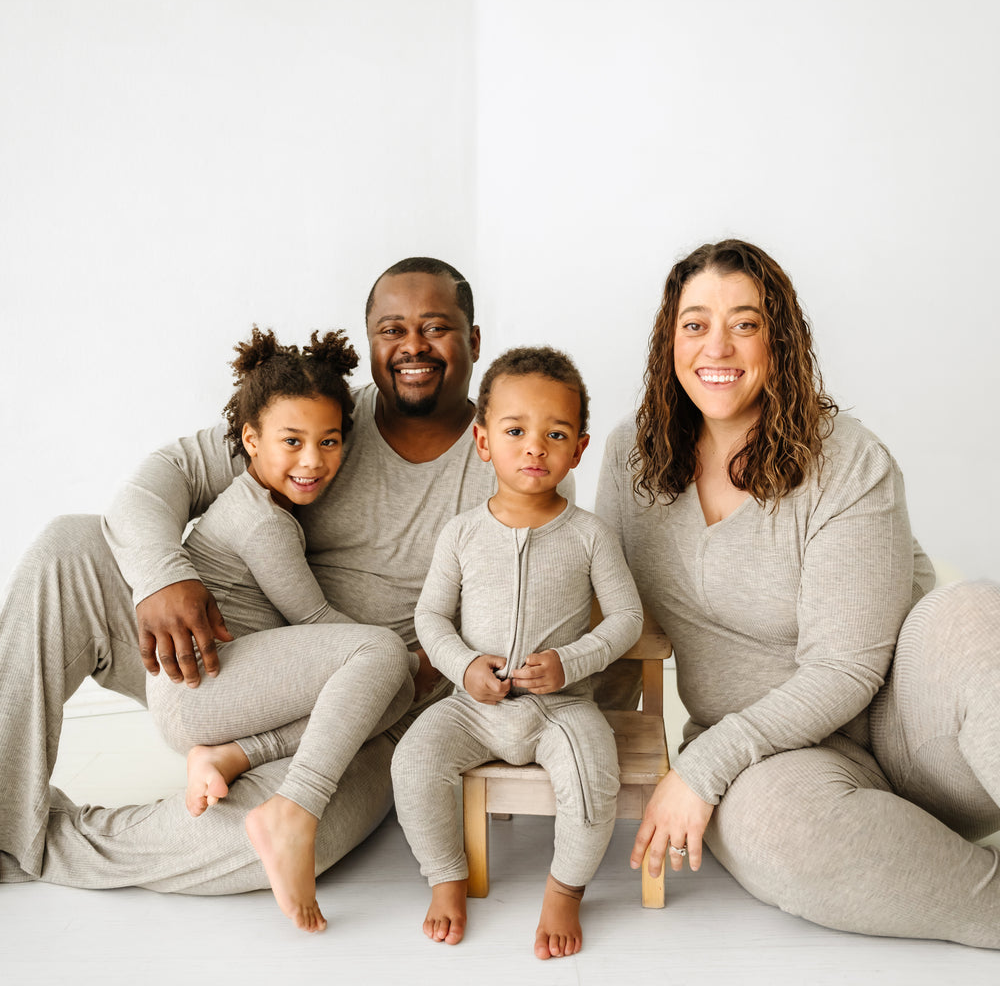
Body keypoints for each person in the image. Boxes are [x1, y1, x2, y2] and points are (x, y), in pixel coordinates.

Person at [0, 257, 498, 898]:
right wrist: (162, 576)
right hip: (210, 655)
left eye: (436, 328)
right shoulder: (319, 418)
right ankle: (7, 814)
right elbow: (161, 478)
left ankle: (36, 845)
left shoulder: (509, 454)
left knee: (276, 841)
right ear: (370, 340)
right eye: (392, 329)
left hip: (368, 712)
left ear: (474, 341)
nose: (413, 347)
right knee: (68, 545)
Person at [596, 238, 1000, 948]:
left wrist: (702, 766)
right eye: (695, 324)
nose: (716, 345)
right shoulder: (631, 457)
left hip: (908, 733)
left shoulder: (848, 457)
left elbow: (846, 669)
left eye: (745, 323)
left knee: (974, 614)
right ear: (669, 341)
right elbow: (611, 618)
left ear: (781, 340)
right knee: (773, 831)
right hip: (780, 762)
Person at [145, 326, 416, 932]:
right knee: (383, 662)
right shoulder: (262, 522)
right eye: (291, 442)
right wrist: (406, 656)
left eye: (329, 441)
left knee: (386, 682)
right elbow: (315, 621)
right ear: (250, 439)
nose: (313, 461)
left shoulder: (270, 508)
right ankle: (291, 812)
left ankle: (230, 757)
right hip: (200, 690)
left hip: (224, 691)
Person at [392, 347, 642, 960]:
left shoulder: (590, 536)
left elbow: (628, 619)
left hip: (562, 708)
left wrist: (570, 663)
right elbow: (429, 616)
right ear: (483, 442)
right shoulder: (461, 534)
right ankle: (446, 876)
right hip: (473, 707)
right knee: (413, 763)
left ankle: (564, 890)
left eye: (555, 433)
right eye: (515, 431)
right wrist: (464, 667)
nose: (535, 447)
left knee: (591, 780)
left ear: (578, 449)